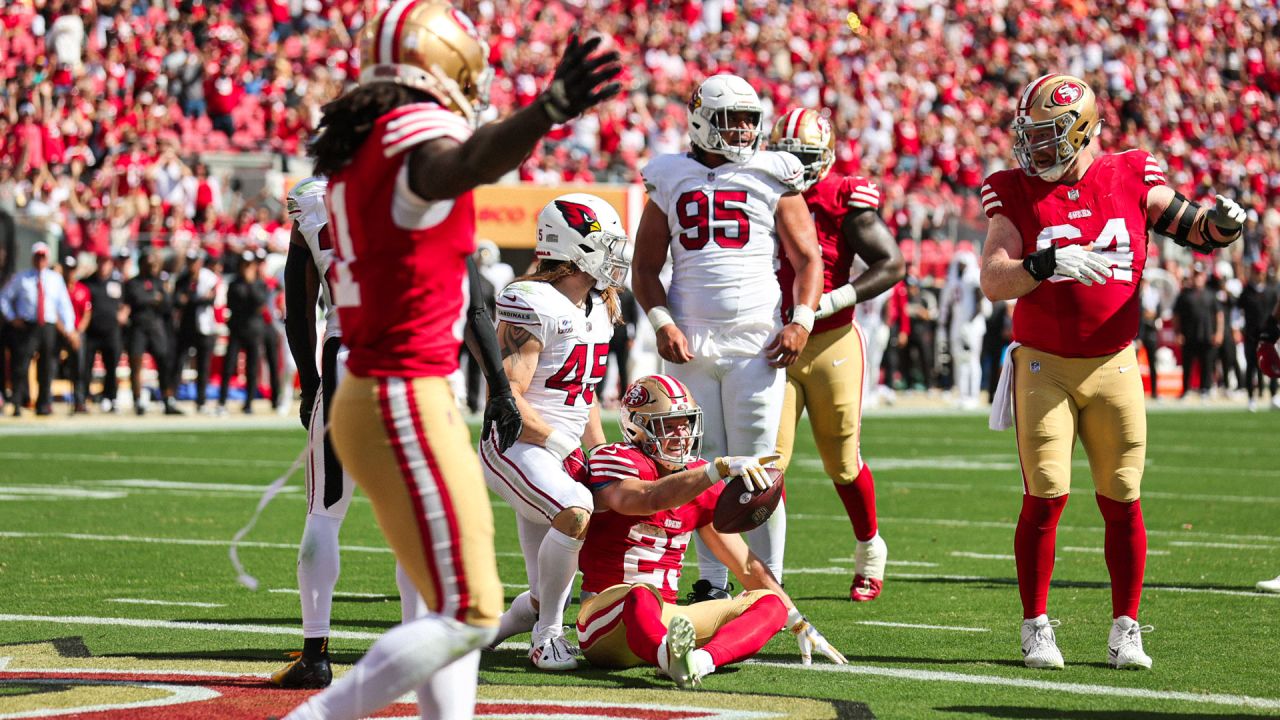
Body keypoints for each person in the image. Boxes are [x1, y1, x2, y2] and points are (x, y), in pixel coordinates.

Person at [279, 1, 618, 717]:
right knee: (468, 609)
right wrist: (545, 110)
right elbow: (458, 163)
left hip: (374, 382)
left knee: (444, 601)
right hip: (401, 389)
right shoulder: (411, 134)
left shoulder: (356, 146)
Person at [980, 74, 1246, 671]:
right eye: (1031, 137)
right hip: (1043, 365)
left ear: (1080, 131)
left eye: (1048, 138)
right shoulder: (1011, 189)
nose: (1035, 151)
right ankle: (1036, 626)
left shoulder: (1131, 172)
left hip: (1116, 361)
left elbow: (1195, 228)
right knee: (1045, 496)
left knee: (1123, 498)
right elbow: (995, 278)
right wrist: (1043, 263)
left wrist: (1224, 224)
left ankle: (1126, 627)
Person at [274, 176, 523, 688]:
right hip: (417, 367)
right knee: (417, 514)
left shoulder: (314, 198)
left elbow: (298, 312)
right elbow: (475, 308)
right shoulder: (434, 191)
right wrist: (498, 386)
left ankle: (316, 653)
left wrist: (309, 383)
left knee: (325, 510)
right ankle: (414, 644)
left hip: (349, 359)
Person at [632, 74, 822, 597]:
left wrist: (801, 319)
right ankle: (713, 581)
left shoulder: (771, 172)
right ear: (700, 119)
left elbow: (809, 258)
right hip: (689, 341)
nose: (742, 131)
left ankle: (769, 587)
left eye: (748, 120)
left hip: (757, 343)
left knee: (760, 466)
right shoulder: (670, 175)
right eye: (730, 120)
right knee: (702, 463)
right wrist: (661, 322)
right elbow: (645, 267)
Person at [576, 374, 846, 688]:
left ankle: (699, 662)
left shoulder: (697, 479)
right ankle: (668, 657)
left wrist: (796, 619)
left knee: (769, 603)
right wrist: (714, 471)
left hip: (666, 617)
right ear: (638, 428)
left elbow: (745, 565)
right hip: (607, 619)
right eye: (670, 424)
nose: (682, 433)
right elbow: (646, 498)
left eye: (686, 422)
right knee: (641, 593)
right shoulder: (617, 460)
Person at [480, 193, 630, 670]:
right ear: (573, 246)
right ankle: (547, 639)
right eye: (605, 245)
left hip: (554, 449)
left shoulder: (600, 307)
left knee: (549, 589)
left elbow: (582, 397)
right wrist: (558, 442)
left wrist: (601, 453)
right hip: (515, 444)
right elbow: (507, 396)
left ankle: (486, 635)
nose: (614, 257)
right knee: (575, 507)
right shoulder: (531, 300)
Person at [767, 108, 905, 602]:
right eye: (784, 155)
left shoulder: (842, 196)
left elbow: (891, 264)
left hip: (830, 341)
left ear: (824, 159)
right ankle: (767, 570)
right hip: (773, 342)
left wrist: (832, 298)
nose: (792, 167)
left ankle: (870, 550)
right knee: (767, 464)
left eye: (802, 157)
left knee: (843, 463)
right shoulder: (756, 188)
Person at [0, 242, 75, 416]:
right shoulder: (22, 278)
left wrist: (69, 327)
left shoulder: (55, 279)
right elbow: (4, 298)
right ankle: (18, 402)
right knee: (21, 365)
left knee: (47, 366)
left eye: (43, 257)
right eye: (38, 257)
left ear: (47, 258)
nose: (40, 260)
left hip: (47, 326)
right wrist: (12, 318)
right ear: (33, 258)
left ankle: (44, 404)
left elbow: (64, 304)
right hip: (28, 326)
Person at [124, 250, 183, 415]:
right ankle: (138, 400)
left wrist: (154, 299)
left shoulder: (158, 282)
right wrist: (152, 299)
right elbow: (136, 298)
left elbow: (167, 303)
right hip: (138, 328)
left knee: (164, 363)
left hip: (156, 328)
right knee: (136, 363)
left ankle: (167, 399)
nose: (152, 268)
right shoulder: (133, 283)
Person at [218, 251, 269, 415]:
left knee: (252, 367)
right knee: (229, 365)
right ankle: (222, 400)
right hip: (237, 328)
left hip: (254, 329)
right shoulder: (234, 283)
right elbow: (233, 303)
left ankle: (248, 402)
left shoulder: (259, 283)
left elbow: (259, 301)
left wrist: (250, 283)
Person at [170, 249, 220, 413]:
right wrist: (197, 300)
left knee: (203, 366)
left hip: (204, 327)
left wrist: (191, 300)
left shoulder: (208, 278)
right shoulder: (182, 279)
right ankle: (172, 397)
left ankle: (201, 400)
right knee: (179, 363)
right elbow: (177, 300)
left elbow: (211, 299)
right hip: (186, 326)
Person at [80, 253, 126, 413]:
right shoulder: (88, 282)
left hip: (111, 331)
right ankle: (83, 397)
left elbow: (126, 303)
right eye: (101, 262)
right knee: (86, 366)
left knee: (112, 366)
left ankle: (110, 397)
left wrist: (124, 313)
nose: (103, 266)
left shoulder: (117, 283)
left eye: (106, 263)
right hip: (92, 331)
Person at [1172, 263, 1221, 402]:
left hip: (1206, 335)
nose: (1198, 278)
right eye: (1196, 275)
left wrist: (1219, 332)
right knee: (1187, 365)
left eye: (1200, 275)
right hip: (1189, 335)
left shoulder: (1211, 294)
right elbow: (1176, 315)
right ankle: (1186, 390)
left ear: (1204, 276)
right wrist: (1177, 333)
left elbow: (1219, 314)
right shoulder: (1184, 295)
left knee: (1206, 364)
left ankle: (1205, 389)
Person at [1239, 262, 1278, 411]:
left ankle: (1274, 396)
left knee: (1273, 365)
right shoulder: (1246, 292)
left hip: (1270, 336)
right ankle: (1251, 398)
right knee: (1251, 367)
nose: (1259, 275)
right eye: (1257, 272)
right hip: (1252, 335)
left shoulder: (1271, 291)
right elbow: (1239, 311)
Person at [59, 255, 92, 413]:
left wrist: (77, 333)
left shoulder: (82, 289)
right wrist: (67, 332)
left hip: (77, 334)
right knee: (50, 365)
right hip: (60, 332)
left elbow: (87, 313)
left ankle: (79, 401)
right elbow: (54, 312)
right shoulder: (57, 288)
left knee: (79, 368)